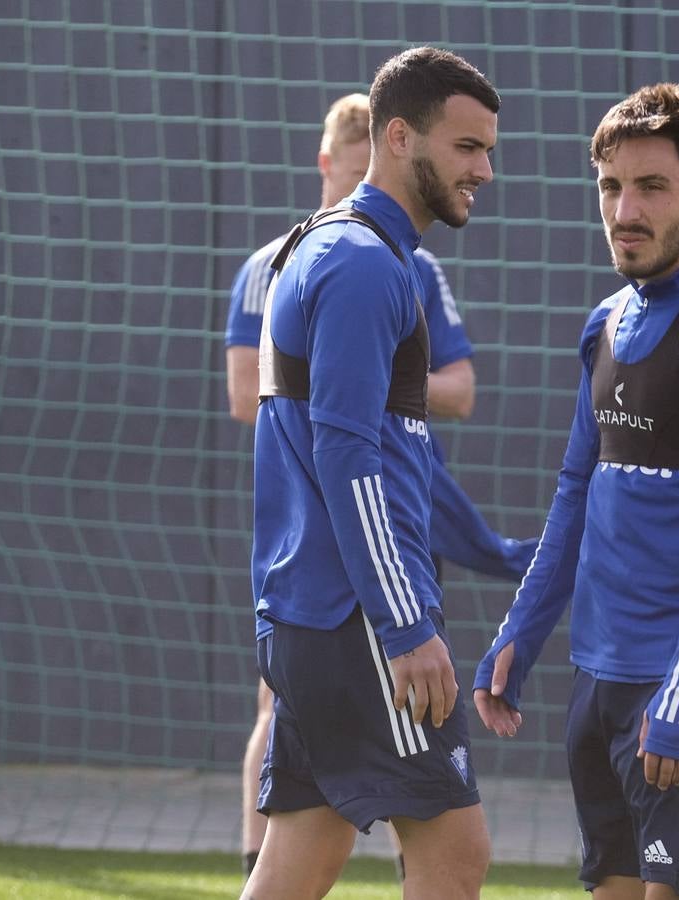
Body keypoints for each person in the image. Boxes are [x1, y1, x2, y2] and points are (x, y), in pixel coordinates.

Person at [473, 83, 679, 899]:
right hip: (600, 684)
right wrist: (524, 627)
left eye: (652, 187)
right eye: (612, 187)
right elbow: (576, 493)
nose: (626, 210)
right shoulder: (606, 323)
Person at [224, 93, 535, 879]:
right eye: (467, 147)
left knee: (304, 851)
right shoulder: (362, 262)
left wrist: (505, 556)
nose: (485, 170)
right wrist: (402, 625)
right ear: (400, 138)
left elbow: (407, 460)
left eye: (488, 150)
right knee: (456, 856)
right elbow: (348, 455)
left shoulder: (340, 250)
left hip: (316, 614)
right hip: (359, 618)